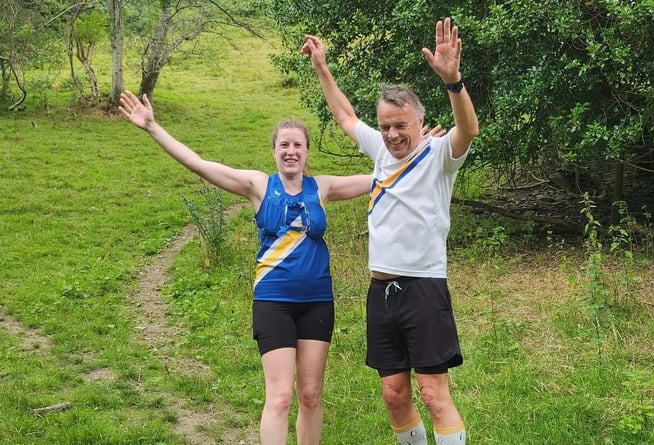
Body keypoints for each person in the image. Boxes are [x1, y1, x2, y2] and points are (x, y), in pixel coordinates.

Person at [118, 90, 373, 445]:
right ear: (274, 150)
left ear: (306, 152)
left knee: (311, 395)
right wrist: (153, 127)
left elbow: (381, 177)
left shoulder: (323, 188)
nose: (291, 151)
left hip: (318, 301)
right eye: (284, 144)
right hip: (274, 302)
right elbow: (200, 164)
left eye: (298, 145)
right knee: (281, 396)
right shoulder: (259, 185)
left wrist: (417, 150)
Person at [301, 17, 479, 445]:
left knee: (434, 395)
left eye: (400, 125)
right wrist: (322, 67)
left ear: (419, 121)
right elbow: (345, 115)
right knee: (393, 393)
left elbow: (468, 129)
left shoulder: (439, 155)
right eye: (385, 126)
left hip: (424, 288)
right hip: (381, 291)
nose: (393, 134)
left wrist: (453, 81)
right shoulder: (380, 149)